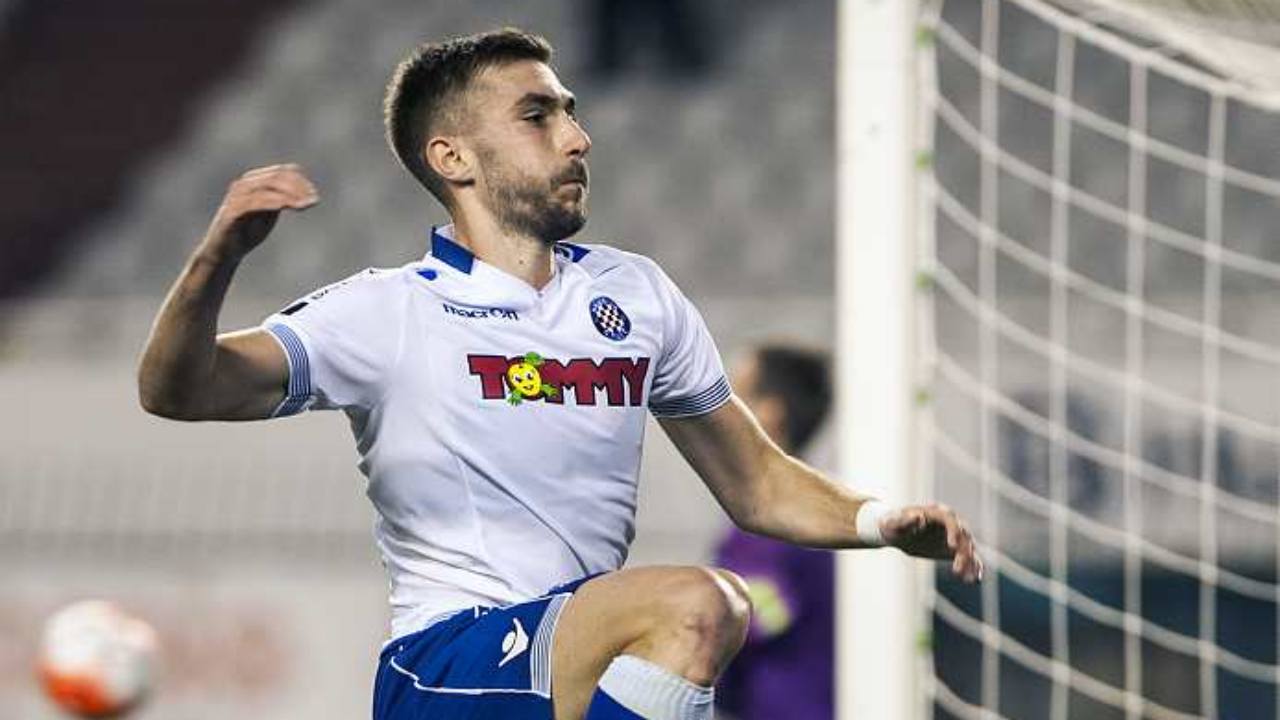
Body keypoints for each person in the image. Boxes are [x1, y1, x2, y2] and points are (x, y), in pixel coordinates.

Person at [137, 28, 982, 720]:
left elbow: (757, 482)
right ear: (454, 158)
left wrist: (879, 519)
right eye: (537, 116)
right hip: (449, 668)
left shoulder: (636, 295)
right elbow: (177, 390)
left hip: (575, 662)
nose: (577, 137)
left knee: (689, 616)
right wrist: (216, 259)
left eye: (570, 112)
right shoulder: (385, 311)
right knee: (698, 608)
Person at [714, 345, 835, 720]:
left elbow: (745, 623)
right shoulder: (818, 501)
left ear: (769, 413)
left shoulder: (772, 521)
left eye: (732, 396)